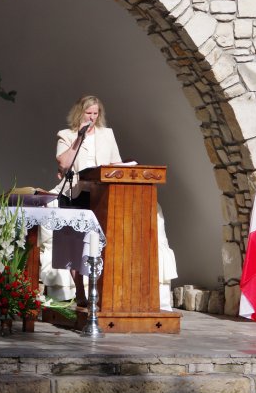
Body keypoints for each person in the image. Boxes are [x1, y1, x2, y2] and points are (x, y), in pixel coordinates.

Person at [50, 95, 177, 307]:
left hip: (102, 194)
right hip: (76, 193)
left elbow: (116, 164)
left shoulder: (107, 134)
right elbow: (63, 164)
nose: (92, 117)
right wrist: (79, 138)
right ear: (79, 113)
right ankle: (79, 290)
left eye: (95, 113)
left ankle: (100, 291)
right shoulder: (66, 135)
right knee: (74, 245)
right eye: (88, 113)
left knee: (97, 243)